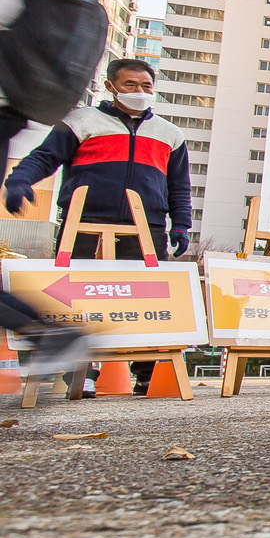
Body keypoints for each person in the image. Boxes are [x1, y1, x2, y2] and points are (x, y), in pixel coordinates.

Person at [5, 58, 191, 396]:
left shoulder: (170, 134)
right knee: (76, 294)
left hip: (146, 224)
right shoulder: (81, 120)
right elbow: (43, 157)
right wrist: (20, 180)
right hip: (85, 218)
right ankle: (81, 372)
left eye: (146, 86)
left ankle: (146, 368)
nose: (139, 92)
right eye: (130, 85)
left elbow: (179, 185)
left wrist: (181, 224)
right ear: (111, 86)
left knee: (144, 298)